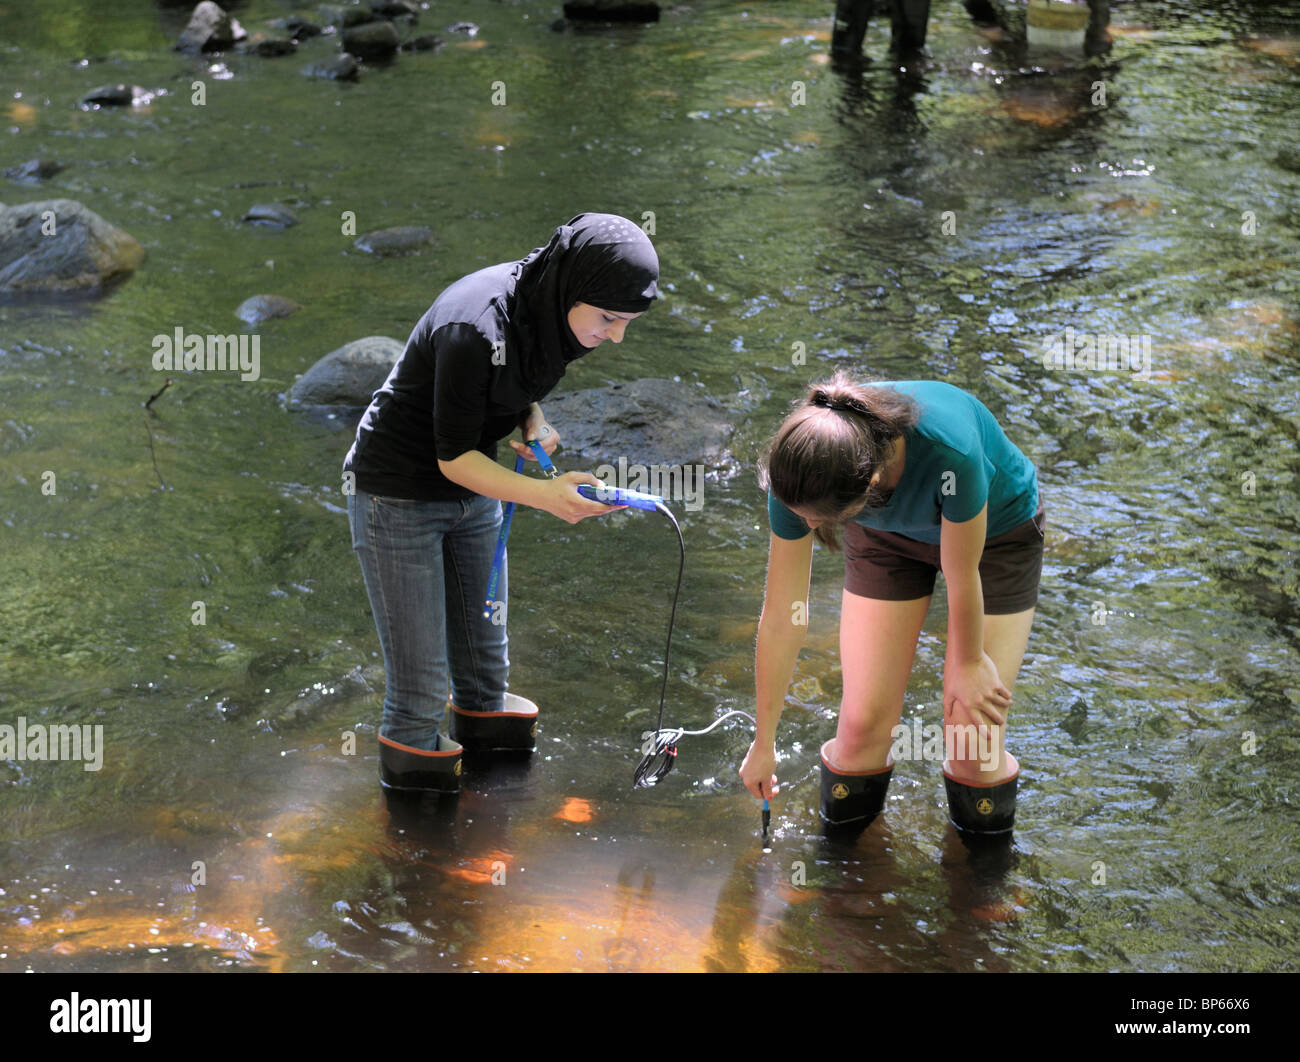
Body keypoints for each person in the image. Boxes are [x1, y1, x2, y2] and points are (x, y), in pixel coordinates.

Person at [344, 213, 658, 793]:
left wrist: (531, 417)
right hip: (399, 495)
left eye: (629, 322)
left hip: (475, 489)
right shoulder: (476, 327)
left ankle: (495, 832)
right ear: (572, 286)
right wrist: (545, 496)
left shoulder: (559, 312)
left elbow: (517, 382)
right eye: (611, 319)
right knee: (419, 695)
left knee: (487, 679)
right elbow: (452, 457)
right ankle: (425, 865)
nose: (616, 336)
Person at [739, 373, 1044, 840]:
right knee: (861, 729)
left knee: (972, 739)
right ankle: (845, 888)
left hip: (996, 537)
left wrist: (968, 662)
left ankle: (979, 889)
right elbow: (783, 615)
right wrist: (764, 742)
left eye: (816, 519)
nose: (806, 525)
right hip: (887, 540)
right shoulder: (799, 477)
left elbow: (962, 573)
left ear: (873, 482)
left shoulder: (950, 454)